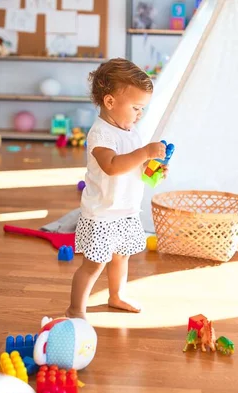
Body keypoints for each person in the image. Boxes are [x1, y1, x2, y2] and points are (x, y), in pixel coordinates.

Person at [66, 58, 167, 319]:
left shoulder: (131, 130)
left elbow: (133, 167)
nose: (139, 114)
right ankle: (75, 309)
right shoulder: (101, 134)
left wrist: (152, 170)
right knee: (94, 264)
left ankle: (116, 295)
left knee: (121, 257)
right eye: (136, 107)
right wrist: (145, 152)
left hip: (125, 209)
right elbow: (111, 166)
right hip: (102, 213)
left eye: (142, 108)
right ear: (110, 102)